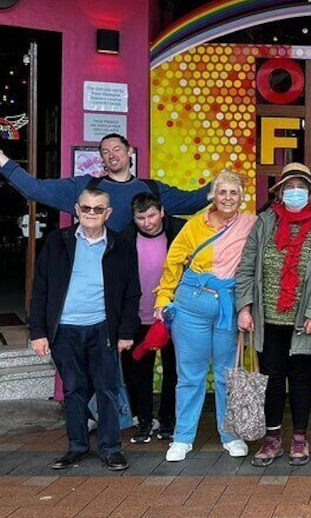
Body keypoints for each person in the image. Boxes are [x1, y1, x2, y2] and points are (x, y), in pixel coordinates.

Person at [29, 189, 140, 472]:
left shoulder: (121, 245)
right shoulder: (57, 242)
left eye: (98, 209)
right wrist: (37, 332)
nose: (91, 214)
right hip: (64, 330)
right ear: (77, 210)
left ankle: (111, 448)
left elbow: (131, 293)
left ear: (108, 213)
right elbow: (40, 288)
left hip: (102, 328)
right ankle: (77, 446)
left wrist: (126, 332)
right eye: (87, 208)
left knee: (108, 390)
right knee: (74, 390)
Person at [235, 163, 311, 467]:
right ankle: (273, 438)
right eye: (289, 188)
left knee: (301, 378)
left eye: (300, 188)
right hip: (268, 318)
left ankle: (300, 439)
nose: (294, 193)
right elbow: (246, 267)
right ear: (280, 193)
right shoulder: (264, 222)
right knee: (272, 378)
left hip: (304, 318)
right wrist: (245, 306)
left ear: (309, 193)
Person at [154, 170, 257, 462]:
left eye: (233, 193)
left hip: (229, 306)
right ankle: (183, 438)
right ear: (213, 196)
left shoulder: (251, 224)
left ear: (242, 197)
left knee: (227, 375)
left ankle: (231, 435)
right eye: (222, 192)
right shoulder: (194, 227)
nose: (227, 198)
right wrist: (163, 298)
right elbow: (174, 262)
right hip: (191, 305)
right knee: (190, 376)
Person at [0, 133, 209, 231]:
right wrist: (3, 161)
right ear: (102, 159)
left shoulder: (152, 188)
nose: (112, 155)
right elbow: (35, 189)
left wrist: (220, 185)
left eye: (117, 149)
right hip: (98, 277)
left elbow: (192, 203)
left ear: (129, 152)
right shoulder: (85, 187)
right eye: (105, 152)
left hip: (141, 279)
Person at [120, 192, 185, 444]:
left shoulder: (179, 231)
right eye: (141, 218)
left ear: (162, 212)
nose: (148, 222)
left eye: (152, 215)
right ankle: (143, 421)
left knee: (174, 371)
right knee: (138, 372)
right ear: (133, 218)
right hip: (137, 317)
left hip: (172, 314)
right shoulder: (125, 239)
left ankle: (168, 420)